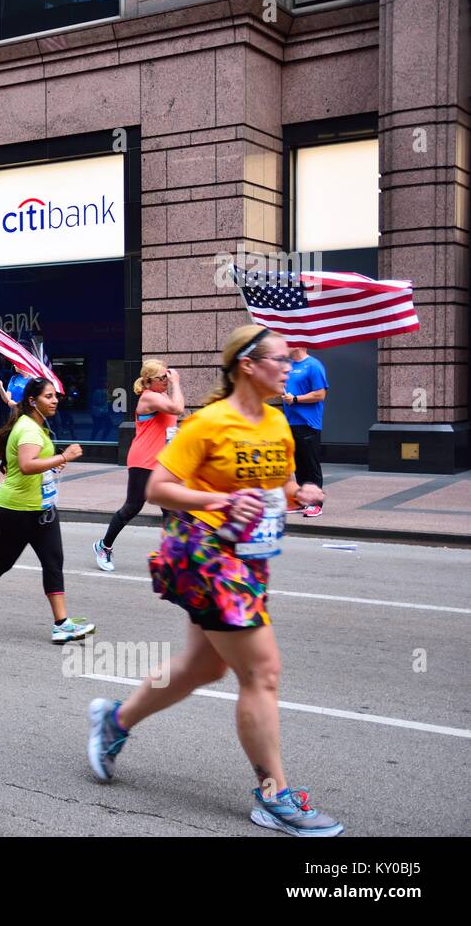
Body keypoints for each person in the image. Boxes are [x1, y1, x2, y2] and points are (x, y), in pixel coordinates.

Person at [86, 324, 341, 837]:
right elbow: (158, 488)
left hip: (249, 557)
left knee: (202, 668)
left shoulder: (276, 423)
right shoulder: (210, 423)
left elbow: (280, 486)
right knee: (262, 671)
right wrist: (219, 501)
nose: (289, 365)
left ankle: (115, 721)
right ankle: (274, 794)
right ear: (247, 364)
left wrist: (303, 494)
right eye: (279, 358)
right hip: (204, 553)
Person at [0, 377, 95, 644]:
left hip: (42, 508)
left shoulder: (33, 425)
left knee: (53, 562)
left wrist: (52, 464)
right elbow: (26, 465)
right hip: (17, 510)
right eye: (48, 396)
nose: (55, 400)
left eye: (56, 396)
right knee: (1, 562)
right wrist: (63, 457)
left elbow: (34, 464)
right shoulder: (30, 429)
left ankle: (61, 623)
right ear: (33, 401)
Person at [94, 361, 185, 572]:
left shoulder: (161, 396)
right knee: (133, 506)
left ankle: (170, 555)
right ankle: (104, 547)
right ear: (148, 381)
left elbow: (168, 424)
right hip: (143, 460)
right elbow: (178, 408)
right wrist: (177, 382)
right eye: (162, 377)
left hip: (163, 461)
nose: (167, 380)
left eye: (167, 376)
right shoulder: (149, 397)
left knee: (169, 508)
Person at [274, 347, 328, 518]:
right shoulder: (287, 365)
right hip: (290, 422)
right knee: (298, 464)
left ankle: (315, 504)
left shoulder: (313, 366)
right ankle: (302, 501)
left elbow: (320, 394)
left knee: (311, 465)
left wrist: (296, 399)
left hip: (308, 423)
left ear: (299, 344)